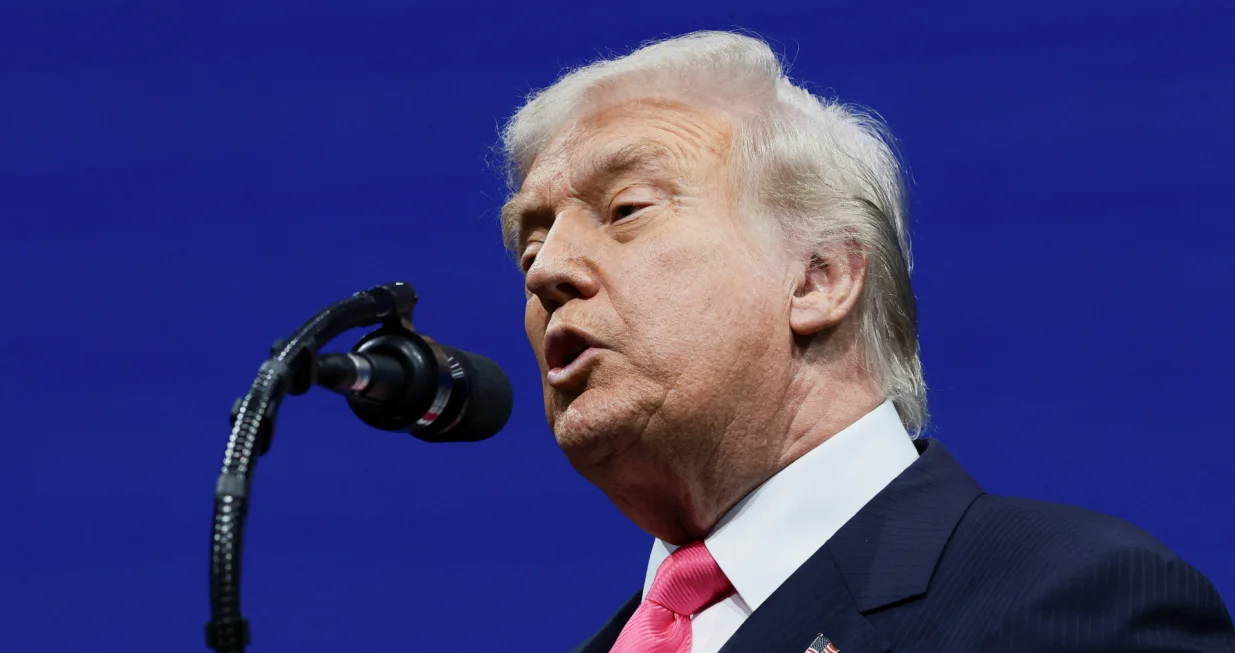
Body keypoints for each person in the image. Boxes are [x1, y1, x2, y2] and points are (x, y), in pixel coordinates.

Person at [496, 31, 1235, 653]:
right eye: (531, 250)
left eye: (626, 209)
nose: (548, 272)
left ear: (819, 278)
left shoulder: (1073, 603)